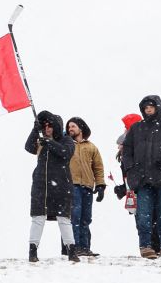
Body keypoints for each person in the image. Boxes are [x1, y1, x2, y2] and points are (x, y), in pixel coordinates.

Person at [119, 95, 161, 258]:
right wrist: (131, 170)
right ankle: (146, 246)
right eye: (145, 106)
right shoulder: (136, 128)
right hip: (142, 179)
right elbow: (126, 152)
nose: (148, 109)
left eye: (151, 106)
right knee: (144, 214)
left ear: (158, 107)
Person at [26, 110, 76, 262]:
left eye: (50, 126)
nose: (47, 129)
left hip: (61, 185)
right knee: (37, 217)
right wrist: (35, 130)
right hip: (41, 185)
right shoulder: (41, 141)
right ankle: (32, 251)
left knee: (64, 219)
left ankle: (71, 250)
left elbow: (66, 153)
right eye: (44, 126)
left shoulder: (66, 140)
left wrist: (49, 142)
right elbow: (29, 147)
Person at [66, 117, 105, 258]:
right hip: (72, 185)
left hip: (88, 186)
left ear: (80, 128)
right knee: (74, 217)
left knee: (86, 218)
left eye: (73, 126)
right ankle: (74, 248)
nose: (70, 129)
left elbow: (98, 168)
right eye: (68, 127)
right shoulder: (67, 145)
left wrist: (100, 185)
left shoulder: (91, 147)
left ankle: (85, 247)